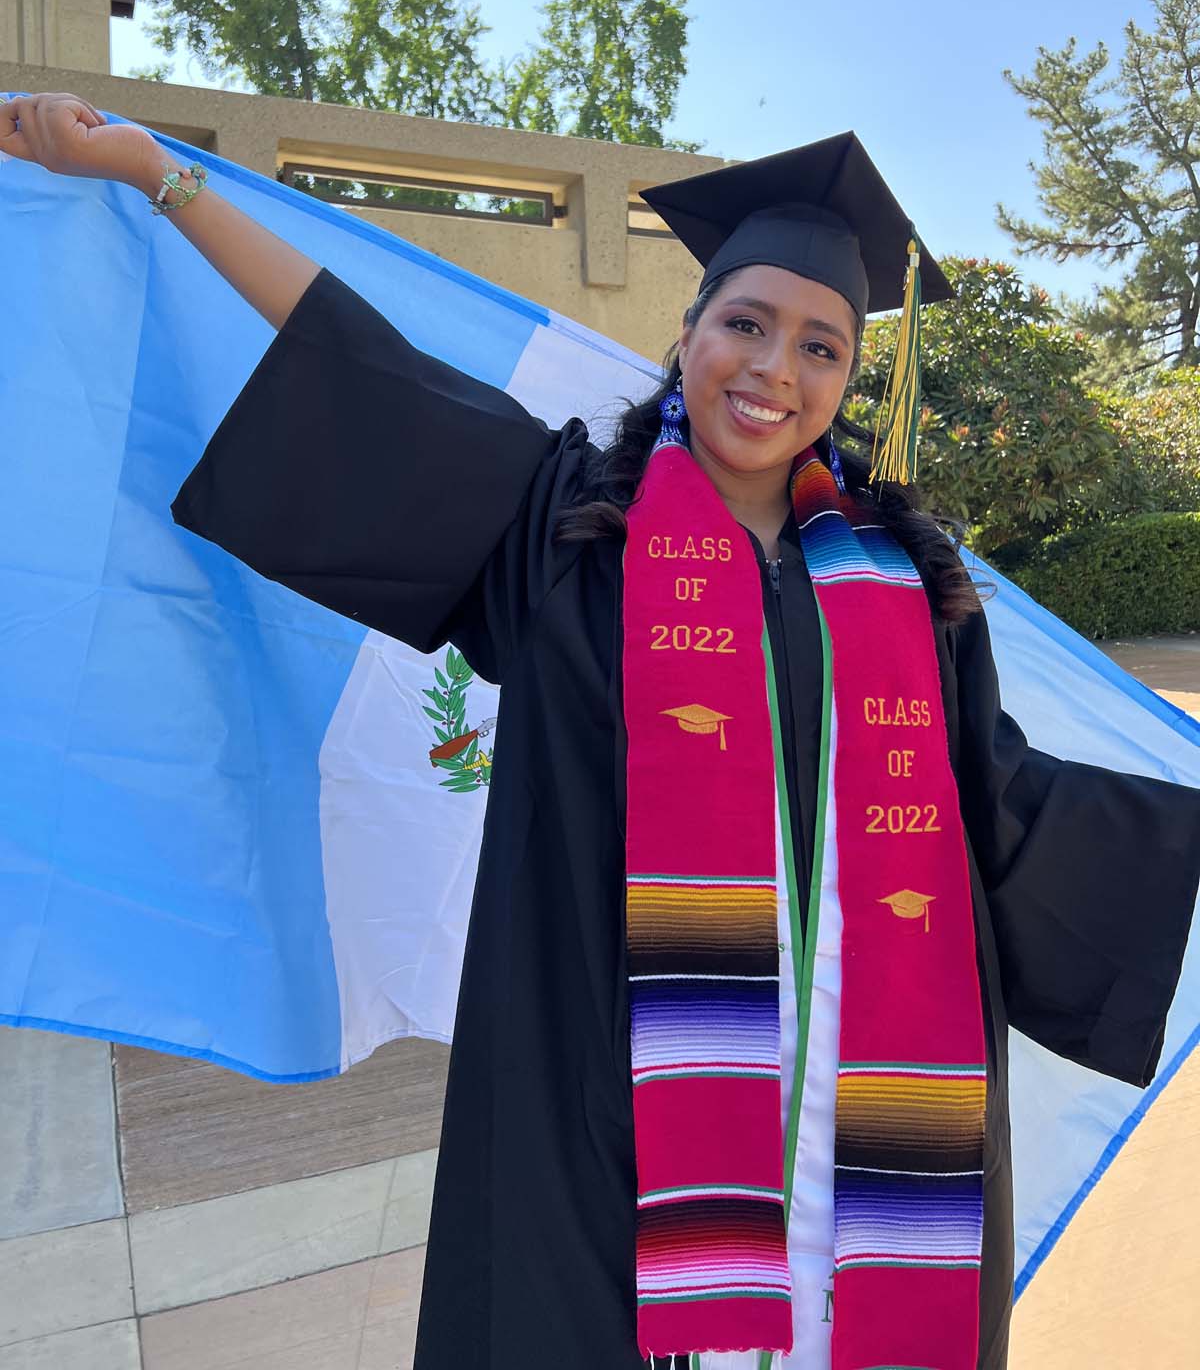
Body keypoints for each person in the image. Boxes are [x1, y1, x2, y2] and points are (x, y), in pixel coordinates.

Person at [3, 93, 1198, 1370]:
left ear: (849, 377)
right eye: (746, 324)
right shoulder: (573, 525)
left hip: (866, 1108)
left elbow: (993, 802)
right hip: (621, 1086)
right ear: (688, 331)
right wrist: (154, 178)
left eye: (820, 347)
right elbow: (369, 364)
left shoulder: (910, 578)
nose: (774, 372)